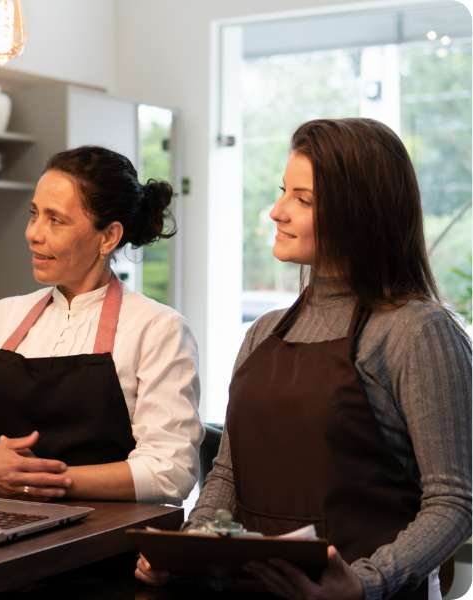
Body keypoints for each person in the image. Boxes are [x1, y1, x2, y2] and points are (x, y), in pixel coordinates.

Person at [135, 118, 473, 600]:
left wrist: (365, 583)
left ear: (361, 213)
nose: (277, 211)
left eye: (303, 200)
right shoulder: (264, 332)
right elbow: (228, 476)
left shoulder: (417, 332)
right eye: (282, 192)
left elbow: (454, 502)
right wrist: (187, 548)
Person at [0, 146, 204, 505]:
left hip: (103, 545)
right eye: (34, 214)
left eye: (55, 220)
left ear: (108, 236)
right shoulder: (2, 317)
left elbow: (170, 471)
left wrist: (38, 480)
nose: (33, 233)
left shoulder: (158, 328)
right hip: (3, 533)